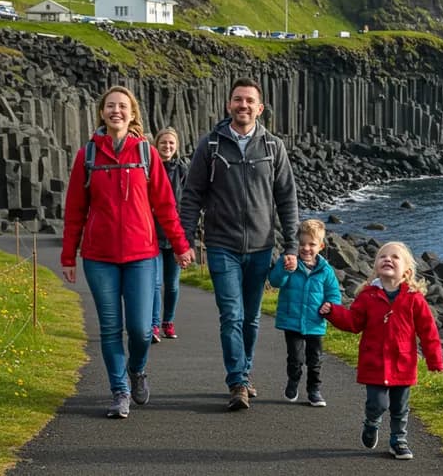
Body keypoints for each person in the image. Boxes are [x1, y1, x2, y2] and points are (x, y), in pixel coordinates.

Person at [61, 86, 195, 419]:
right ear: (102, 113)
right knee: (109, 328)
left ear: (132, 113)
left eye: (123, 106)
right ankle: (119, 392)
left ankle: (137, 369)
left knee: (138, 329)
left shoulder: (146, 154)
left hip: (141, 256)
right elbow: (75, 209)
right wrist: (68, 256)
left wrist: (180, 245)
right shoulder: (87, 156)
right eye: (110, 106)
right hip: (99, 257)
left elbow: (165, 205)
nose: (116, 111)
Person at [179, 77, 299, 411]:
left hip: (261, 246)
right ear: (228, 104)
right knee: (231, 315)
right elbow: (192, 197)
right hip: (221, 244)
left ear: (260, 108)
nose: (243, 105)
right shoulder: (211, 145)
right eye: (237, 100)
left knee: (251, 318)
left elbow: (287, 199)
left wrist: (291, 246)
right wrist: (185, 241)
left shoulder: (274, 147)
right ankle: (237, 381)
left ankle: (243, 373)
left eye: (249, 101)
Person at [319, 241, 443, 460]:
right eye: (383, 256)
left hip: (403, 364)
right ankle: (371, 422)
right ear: (376, 266)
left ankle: (399, 440)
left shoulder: (414, 299)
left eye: (395, 257)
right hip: (374, 362)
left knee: (400, 407)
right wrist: (333, 312)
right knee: (377, 403)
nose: (388, 259)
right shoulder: (368, 297)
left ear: (406, 270)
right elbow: (354, 322)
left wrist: (435, 361)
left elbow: (428, 332)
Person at [267, 219, 341, 407]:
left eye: (312, 244)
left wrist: (330, 306)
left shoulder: (325, 270)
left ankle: (314, 391)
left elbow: (334, 293)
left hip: (315, 322)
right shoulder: (289, 262)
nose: (306, 248)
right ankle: (293, 380)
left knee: (315, 360)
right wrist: (285, 269)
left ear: (321, 246)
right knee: (295, 358)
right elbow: (275, 281)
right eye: (302, 243)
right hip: (292, 321)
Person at [151, 127, 188, 341]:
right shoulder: (149, 168)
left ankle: (168, 321)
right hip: (153, 235)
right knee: (155, 283)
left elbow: (189, 202)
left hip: (174, 236)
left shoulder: (183, 171)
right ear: (157, 145)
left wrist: (186, 239)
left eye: (171, 143)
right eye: (164, 142)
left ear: (177, 147)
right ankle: (154, 325)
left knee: (172, 285)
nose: (167, 146)